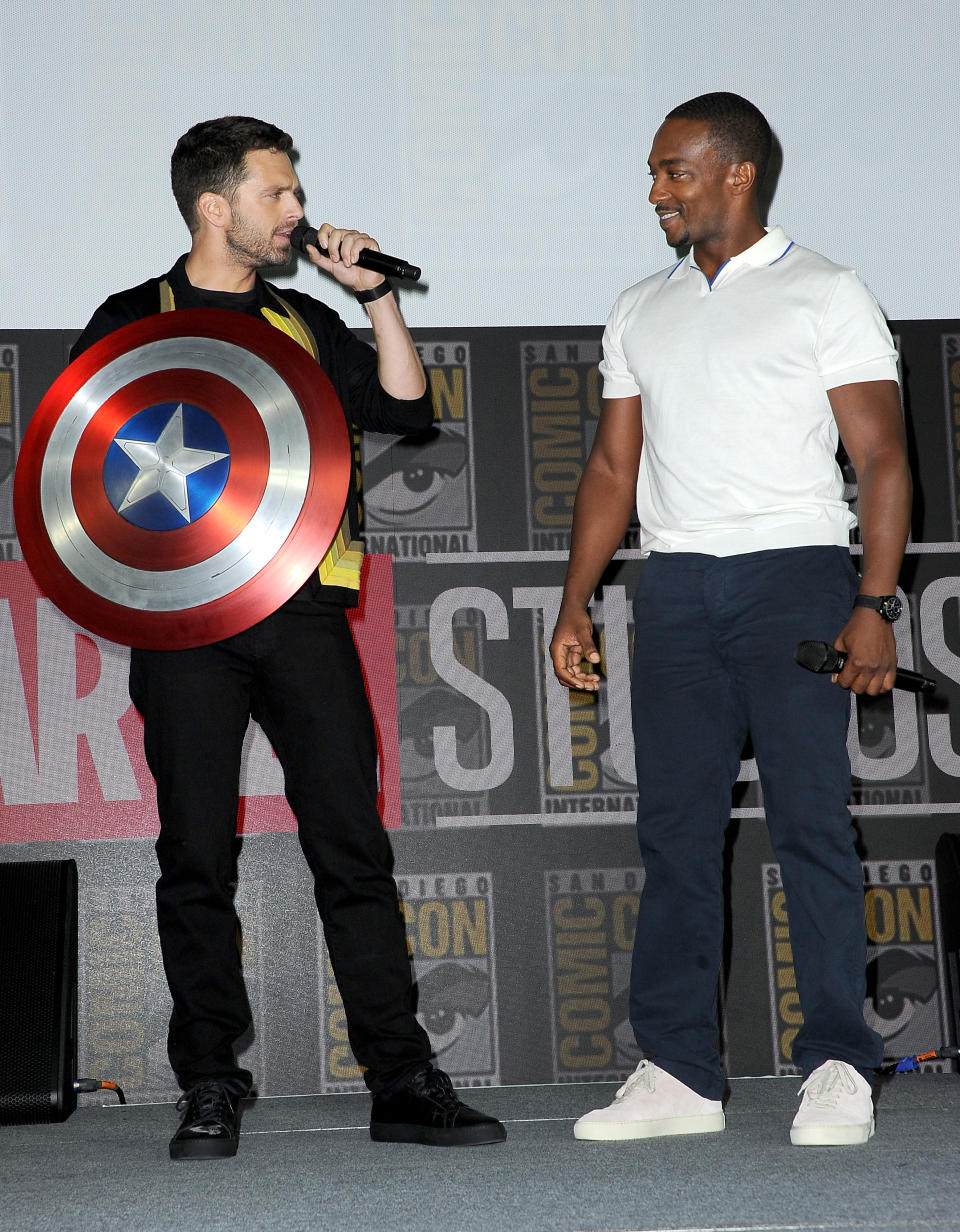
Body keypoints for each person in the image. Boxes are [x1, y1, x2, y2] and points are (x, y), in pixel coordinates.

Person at [70, 116, 506, 1159]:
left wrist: (376, 299)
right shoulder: (131, 316)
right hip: (184, 619)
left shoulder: (306, 318)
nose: (298, 213)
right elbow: (87, 470)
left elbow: (407, 407)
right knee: (195, 853)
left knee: (350, 845)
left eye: (296, 193)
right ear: (215, 206)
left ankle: (400, 1075)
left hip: (303, 608)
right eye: (279, 194)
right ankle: (211, 1079)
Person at [549, 92, 911, 1147]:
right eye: (655, 173)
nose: (657, 190)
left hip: (793, 574)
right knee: (672, 835)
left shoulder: (825, 290)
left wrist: (874, 602)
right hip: (672, 586)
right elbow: (616, 464)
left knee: (809, 824)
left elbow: (881, 456)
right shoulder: (638, 306)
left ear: (736, 172)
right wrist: (576, 599)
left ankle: (840, 1062)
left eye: (675, 171)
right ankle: (678, 1071)